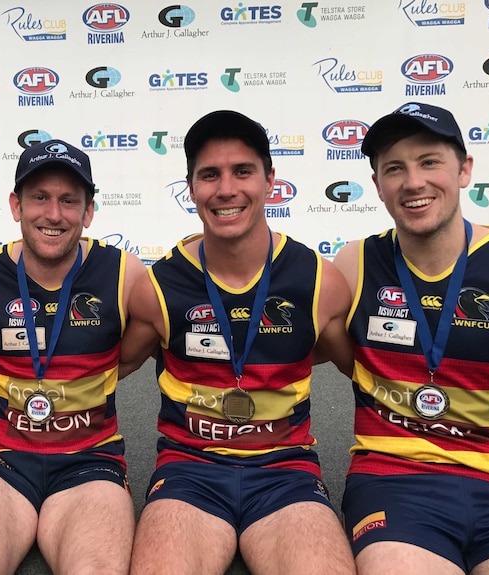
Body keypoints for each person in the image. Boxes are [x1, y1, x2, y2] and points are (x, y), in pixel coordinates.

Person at [119, 110, 356, 574]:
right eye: (210, 175)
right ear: (191, 188)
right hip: (189, 471)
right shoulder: (158, 287)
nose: (226, 189)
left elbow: (361, 365)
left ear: (270, 180)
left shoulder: (319, 281)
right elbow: (109, 365)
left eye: (242, 171)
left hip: (287, 472)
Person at [333, 102, 489, 574]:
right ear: (378, 187)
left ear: (464, 170)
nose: (413, 182)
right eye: (394, 169)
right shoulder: (354, 265)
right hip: (393, 481)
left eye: (429, 161)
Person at [0, 139, 146, 575]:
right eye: (40, 198)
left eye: (69, 201)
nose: (53, 214)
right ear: (16, 205)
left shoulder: (125, 273)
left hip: (91, 462)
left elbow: (133, 356)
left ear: (89, 212)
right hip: (1, 460)